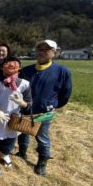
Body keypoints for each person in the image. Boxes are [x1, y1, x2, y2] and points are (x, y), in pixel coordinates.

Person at [17, 40, 72, 176]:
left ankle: (42, 162)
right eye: (39, 49)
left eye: (46, 50)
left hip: (44, 111)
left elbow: (66, 92)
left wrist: (55, 105)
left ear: (54, 53)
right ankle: (22, 152)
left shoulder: (61, 71)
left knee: (42, 137)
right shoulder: (26, 70)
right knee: (23, 132)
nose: (41, 52)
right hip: (26, 109)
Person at [0, 56, 32, 168]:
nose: (11, 65)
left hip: (14, 116)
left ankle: (5, 154)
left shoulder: (25, 84)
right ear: (2, 68)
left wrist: (23, 103)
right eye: (7, 63)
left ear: (20, 67)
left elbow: (29, 102)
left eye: (15, 63)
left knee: (11, 137)